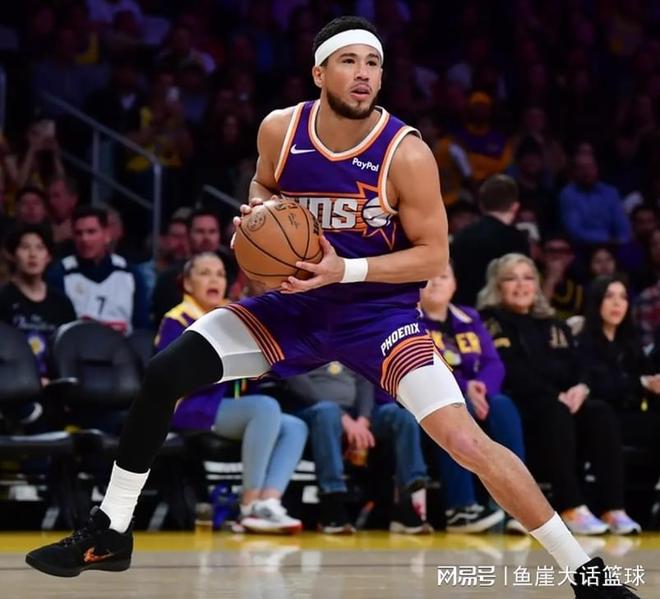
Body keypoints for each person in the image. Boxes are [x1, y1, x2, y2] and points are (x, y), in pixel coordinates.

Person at [26, 16, 637, 597]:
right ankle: (111, 530)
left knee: (466, 442)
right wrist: (258, 220)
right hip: (293, 308)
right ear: (319, 72)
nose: (363, 73)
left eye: (373, 62)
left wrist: (344, 268)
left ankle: (586, 575)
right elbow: (263, 187)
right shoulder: (279, 130)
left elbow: (432, 256)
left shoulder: (406, 153)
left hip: (378, 317)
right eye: (349, 61)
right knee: (164, 373)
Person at [478, 254, 640, 536]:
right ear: (497, 285)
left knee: (600, 412)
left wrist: (581, 387)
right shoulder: (490, 321)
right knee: (555, 411)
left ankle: (613, 508)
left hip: (561, 400)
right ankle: (570, 506)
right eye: (511, 278)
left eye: (528, 278)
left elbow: (579, 365)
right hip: (521, 404)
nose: (521, 285)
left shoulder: (553, 323)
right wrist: (556, 394)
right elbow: (512, 370)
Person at [156, 253, 307, 534]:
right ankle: (248, 506)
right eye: (204, 273)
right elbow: (169, 376)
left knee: (295, 426)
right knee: (265, 408)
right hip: (191, 405)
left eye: (220, 274)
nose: (214, 279)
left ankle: (268, 502)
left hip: (226, 404)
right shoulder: (177, 319)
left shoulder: (232, 316)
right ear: (187, 284)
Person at [419, 266, 525, 534]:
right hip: (430, 397)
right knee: (450, 411)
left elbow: (493, 363)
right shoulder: (408, 320)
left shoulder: (469, 317)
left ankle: (518, 503)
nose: (435, 283)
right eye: (428, 277)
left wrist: (481, 389)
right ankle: (460, 508)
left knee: (502, 405)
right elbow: (425, 365)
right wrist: (466, 388)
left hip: (476, 397)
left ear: (455, 284)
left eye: (443, 276)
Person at [577, 275, 660, 524]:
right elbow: (596, 385)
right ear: (596, 302)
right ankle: (613, 509)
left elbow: (646, 376)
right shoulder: (584, 340)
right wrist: (642, 383)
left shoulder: (631, 343)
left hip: (631, 415)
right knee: (604, 415)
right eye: (609, 297)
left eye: (622, 297)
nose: (617, 304)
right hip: (599, 417)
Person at [282, 362, 374, 534]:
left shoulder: (353, 347)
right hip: (309, 410)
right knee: (328, 411)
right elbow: (300, 387)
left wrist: (363, 419)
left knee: (399, 417)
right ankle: (333, 502)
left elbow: (365, 382)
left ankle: (405, 502)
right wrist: (343, 417)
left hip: (355, 416)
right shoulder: (298, 348)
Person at [0, 224, 75, 426]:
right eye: (25, 247)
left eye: (40, 248)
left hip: (54, 390)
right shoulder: (3, 299)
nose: (32, 254)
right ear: (12, 255)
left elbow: (69, 351)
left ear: (48, 256)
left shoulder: (62, 303)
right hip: (13, 392)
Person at [47, 206, 149, 335]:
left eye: (91, 232)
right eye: (79, 233)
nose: (84, 239)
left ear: (107, 235)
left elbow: (142, 329)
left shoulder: (130, 274)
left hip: (123, 346)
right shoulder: (60, 273)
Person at [452, 174, 529, 306]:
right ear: (515, 207)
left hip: (464, 311)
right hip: (501, 311)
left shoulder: (461, 236)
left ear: (481, 205)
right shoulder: (517, 239)